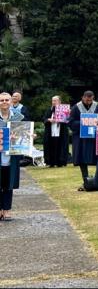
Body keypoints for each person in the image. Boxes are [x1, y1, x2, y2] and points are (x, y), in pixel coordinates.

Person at [69, 90, 98, 190]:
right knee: (82, 159)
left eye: (90, 100)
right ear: (83, 98)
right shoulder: (76, 107)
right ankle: (86, 180)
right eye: (87, 100)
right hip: (81, 139)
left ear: (93, 98)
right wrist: (82, 122)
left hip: (94, 138)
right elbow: (70, 122)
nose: (89, 102)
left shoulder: (97, 107)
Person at [0, 92, 24, 221]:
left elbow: (24, 133)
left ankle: (7, 210)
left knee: (8, 185)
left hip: (12, 158)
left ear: (11, 102)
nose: (4, 102)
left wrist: (29, 137)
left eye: (6, 100)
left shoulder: (18, 118)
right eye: (1, 100)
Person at [42, 95, 70, 167]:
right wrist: (49, 120)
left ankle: (60, 162)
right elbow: (44, 119)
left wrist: (67, 115)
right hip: (51, 131)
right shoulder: (49, 110)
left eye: (55, 100)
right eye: (52, 101)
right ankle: (50, 162)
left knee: (60, 146)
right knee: (51, 146)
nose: (53, 102)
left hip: (61, 131)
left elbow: (68, 120)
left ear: (59, 101)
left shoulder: (64, 110)